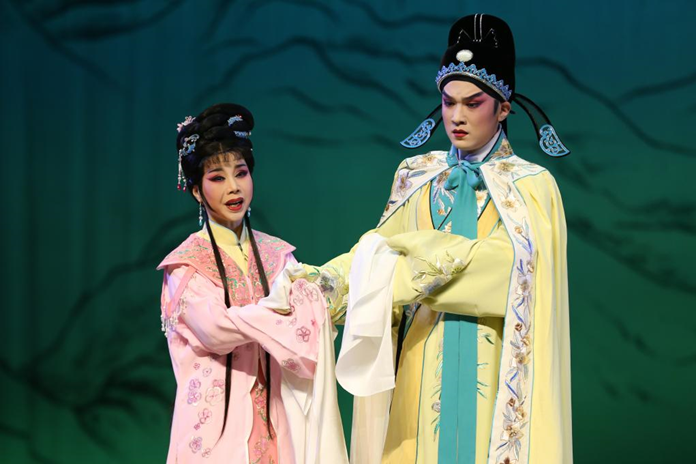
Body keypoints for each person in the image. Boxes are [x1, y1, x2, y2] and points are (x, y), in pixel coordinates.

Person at [272, 14, 572, 464]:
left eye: (473, 103)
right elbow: (373, 251)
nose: (456, 117)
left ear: (503, 108)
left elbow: (510, 274)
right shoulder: (416, 175)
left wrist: (400, 268)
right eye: (448, 102)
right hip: (418, 364)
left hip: (494, 370)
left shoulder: (532, 186)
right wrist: (320, 283)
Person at [157, 103, 347, 463]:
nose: (234, 187)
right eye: (217, 178)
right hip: (213, 433)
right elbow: (215, 330)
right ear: (196, 191)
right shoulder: (186, 266)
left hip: (278, 422)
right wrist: (280, 310)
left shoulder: (279, 256)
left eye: (241, 173)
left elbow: (308, 326)